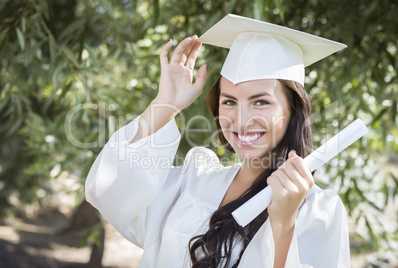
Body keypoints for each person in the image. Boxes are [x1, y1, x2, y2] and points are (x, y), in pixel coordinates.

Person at [85, 14, 350, 267]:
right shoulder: (195, 180)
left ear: (293, 111)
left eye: (261, 101)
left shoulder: (319, 211)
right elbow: (110, 192)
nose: (242, 119)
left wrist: (284, 223)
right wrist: (165, 103)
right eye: (229, 102)